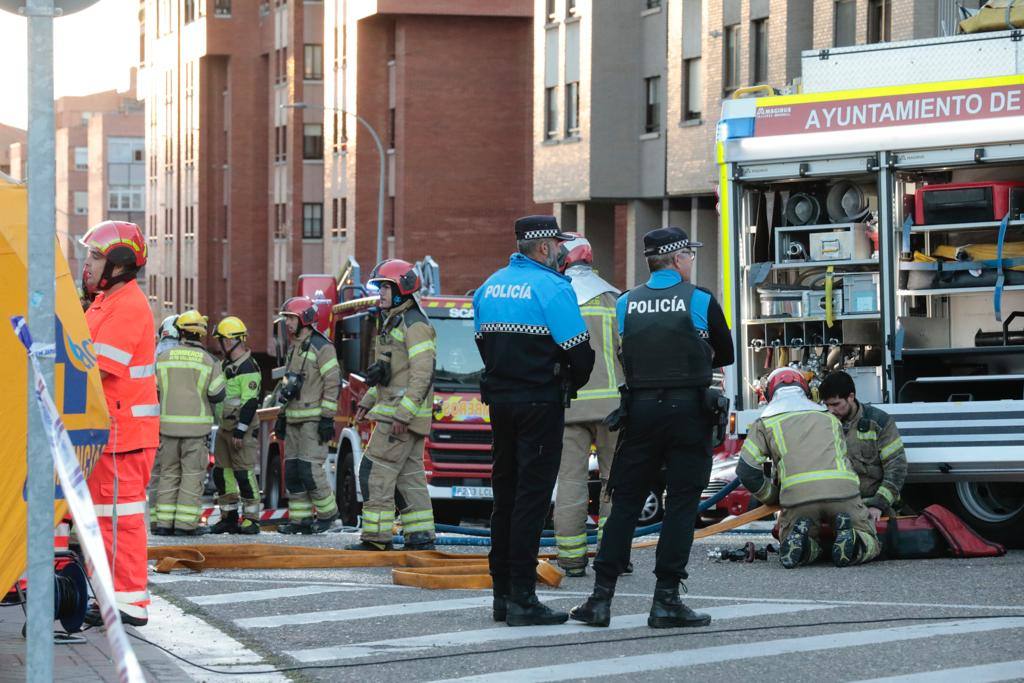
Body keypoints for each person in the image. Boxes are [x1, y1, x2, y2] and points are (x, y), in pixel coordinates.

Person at [571, 226, 733, 629]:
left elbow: (623, 351)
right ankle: (666, 601)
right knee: (680, 505)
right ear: (677, 260)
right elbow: (725, 353)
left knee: (623, 503)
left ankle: (601, 599)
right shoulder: (699, 299)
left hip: (640, 413)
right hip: (687, 414)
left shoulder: (626, 302)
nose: (692, 262)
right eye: (689, 256)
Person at [474, 215, 595, 627]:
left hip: (501, 405)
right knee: (531, 498)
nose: (562, 252)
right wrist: (563, 380)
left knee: (504, 498)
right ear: (543, 247)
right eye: (558, 245)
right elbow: (581, 354)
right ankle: (524, 598)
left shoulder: (488, 287)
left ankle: (502, 597)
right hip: (539, 404)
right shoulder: (553, 288)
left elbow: (482, 346)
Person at [80, 220, 160, 627]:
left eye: (95, 257)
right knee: (104, 522)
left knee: (120, 521)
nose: (87, 264)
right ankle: (112, 597)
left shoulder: (127, 306)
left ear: (120, 264)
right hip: (110, 436)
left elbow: (94, 369)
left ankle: (129, 603)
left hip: (124, 437)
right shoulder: (103, 303)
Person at [736, 367, 881, 569]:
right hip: (842, 492)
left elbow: (746, 471)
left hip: (798, 498)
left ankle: (806, 547)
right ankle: (855, 543)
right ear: (805, 390)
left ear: (770, 394)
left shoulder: (764, 423)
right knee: (870, 540)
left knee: (795, 541)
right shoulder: (830, 418)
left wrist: (772, 497)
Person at [347, 259, 438, 552]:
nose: (381, 293)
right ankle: (420, 536)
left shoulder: (415, 325)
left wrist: (404, 413)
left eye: (386, 287)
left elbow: (422, 374)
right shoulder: (394, 321)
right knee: (410, 478)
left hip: (400, 417)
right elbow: (389, 372)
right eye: (381, 287)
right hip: (397, 413)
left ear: (402, 289)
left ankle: (376, 538)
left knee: (375, 472)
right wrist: (368, 399)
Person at [553, 234, 623, 576]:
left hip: (570, 406)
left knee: (570, 481)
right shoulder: (612, 297)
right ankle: (614, 555)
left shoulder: (556, 297)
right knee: (616, 481)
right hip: (613, 406)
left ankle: (571, 559)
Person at [273, 296, 342, 534]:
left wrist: (327, 418)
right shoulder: (294, 346)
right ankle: (300, 520)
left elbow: (333, 383)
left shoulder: (322, 347)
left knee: (310, 470)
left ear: (304, 318)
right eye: (286, 319)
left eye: (291, 318)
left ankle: (329, 516)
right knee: (292, 470)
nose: (288, 324)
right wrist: (281, 415)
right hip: (293, 419)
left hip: (313, 421)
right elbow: (288, 383)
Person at [153, 310, 226, 536]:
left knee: (168, 474)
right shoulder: (210, 362)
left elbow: (153, 391)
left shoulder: (163, 359)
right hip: (195, 432)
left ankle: (164, 524)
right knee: (191, 477)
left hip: (166, 429)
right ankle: (185, 525)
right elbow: (217, 394)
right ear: (201, 335)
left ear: (181, 331)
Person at [820, 370, 907, 522]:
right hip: (837, 507)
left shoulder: (879, 422)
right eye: (827, 405)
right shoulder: (823, 425)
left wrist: (878, 505)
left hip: (874, 506)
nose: (831, 410)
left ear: (851, 397)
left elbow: (896, 467)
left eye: (835, 404)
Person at [210, 316, 264, 535]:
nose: (219, 344)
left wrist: (241, 430)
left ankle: (251, 519)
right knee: (222, 473)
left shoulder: (248, 367)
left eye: (221, 340)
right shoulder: (227, 366)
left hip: (242, 429)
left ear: (231, 341)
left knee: (243, 473)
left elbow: (250, 402)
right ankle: (229, 517)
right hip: (225, 428)